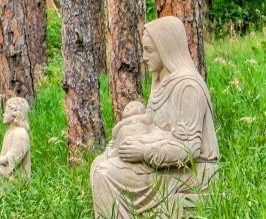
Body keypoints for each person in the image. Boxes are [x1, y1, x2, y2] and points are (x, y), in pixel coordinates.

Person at [91, 17, 219, 218]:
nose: (144, 56)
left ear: (166, 48)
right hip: (164, 160)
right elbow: (150, 121)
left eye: (149, 50)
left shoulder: (188, 86)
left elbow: (189, 148)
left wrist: (142, 151)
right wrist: (122, 133)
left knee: (105, 174)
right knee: (99, 163)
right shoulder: (160, 79)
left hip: (193, 171)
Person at [0, 96, 31, 181]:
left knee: (1, 171)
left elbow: (14, 156)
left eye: (6, 112)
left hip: (18, 180)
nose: (3, 114)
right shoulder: (10, 132)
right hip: (8, 175)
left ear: (14, 113)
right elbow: (6, 154)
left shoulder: (20, 133)